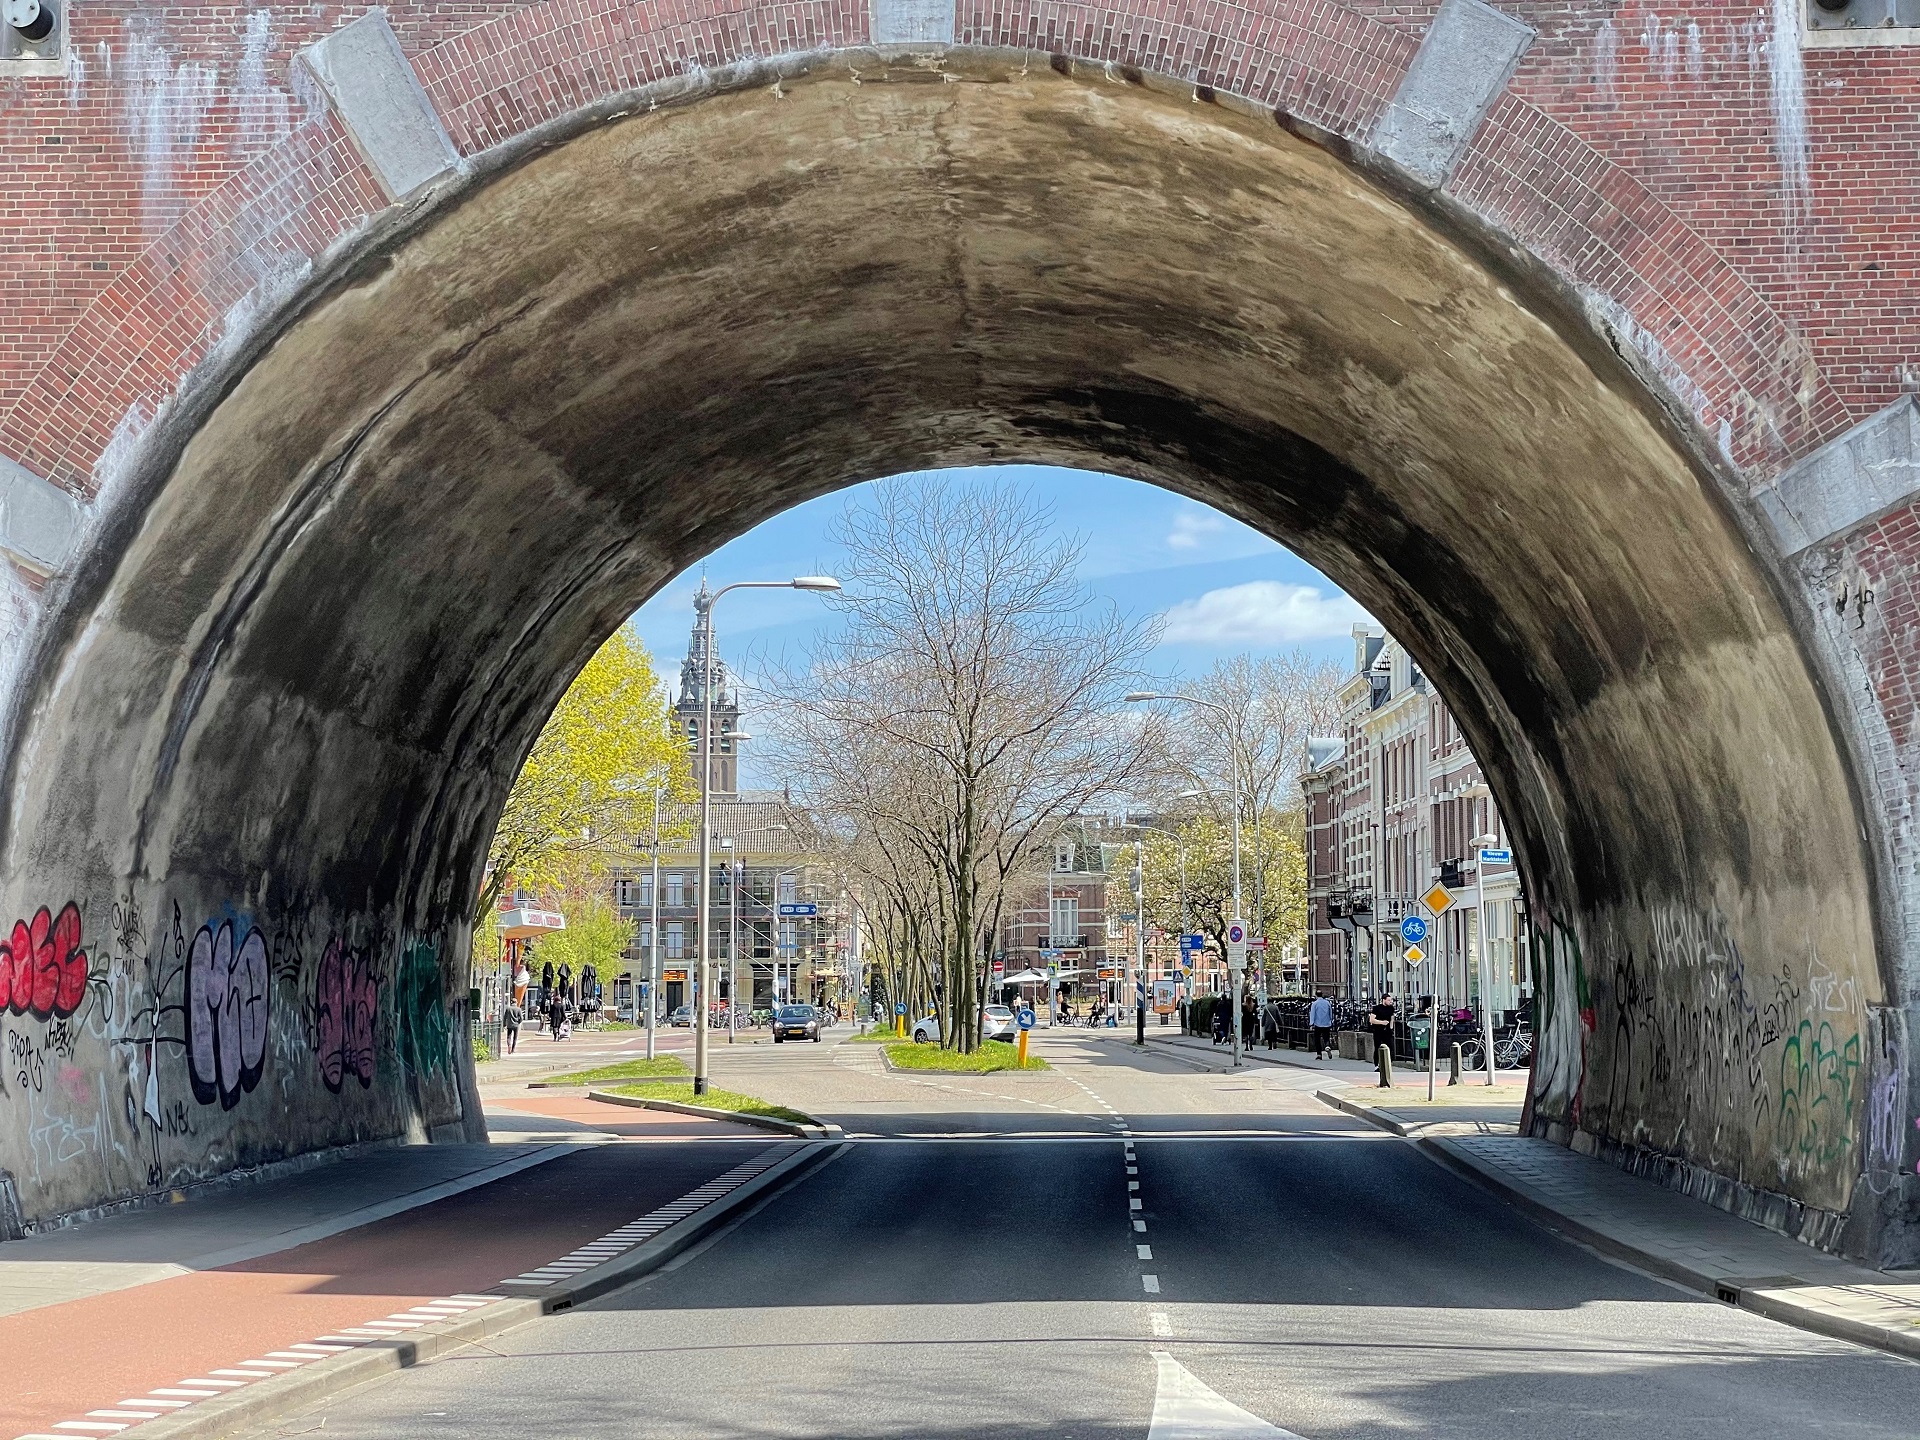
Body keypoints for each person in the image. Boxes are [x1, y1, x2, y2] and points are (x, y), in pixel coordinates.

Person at [1367, 993, 1397, 1066]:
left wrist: (1391, 1028)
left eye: (1391, 1000)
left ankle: (1387, 1063)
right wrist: (1381, 1022)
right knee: (1378, 1047)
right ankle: (1376, 1064)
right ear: (1384, 1000)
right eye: (1388, 1000)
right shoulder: (1377, 1008)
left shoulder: (1391, 1008)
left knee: (1390, 1047)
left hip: (1387, 1031)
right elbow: (1371, 1020)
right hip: (1378, 1030)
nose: (1390, 1001)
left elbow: (1392, 1018)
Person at [1308, 992, 1334, 1059]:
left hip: (1318, 1024)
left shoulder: (1315, 1004)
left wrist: (1311, 1024)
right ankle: (1327, 1046)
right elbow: (1330, 1012)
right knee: (1326, 1037)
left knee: (1317, 1039)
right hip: (1326, 1023)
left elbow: (1312, 1014)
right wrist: (1331, 1020)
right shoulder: (1327, 1003)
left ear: (1316, 996)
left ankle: (1319, 1054)